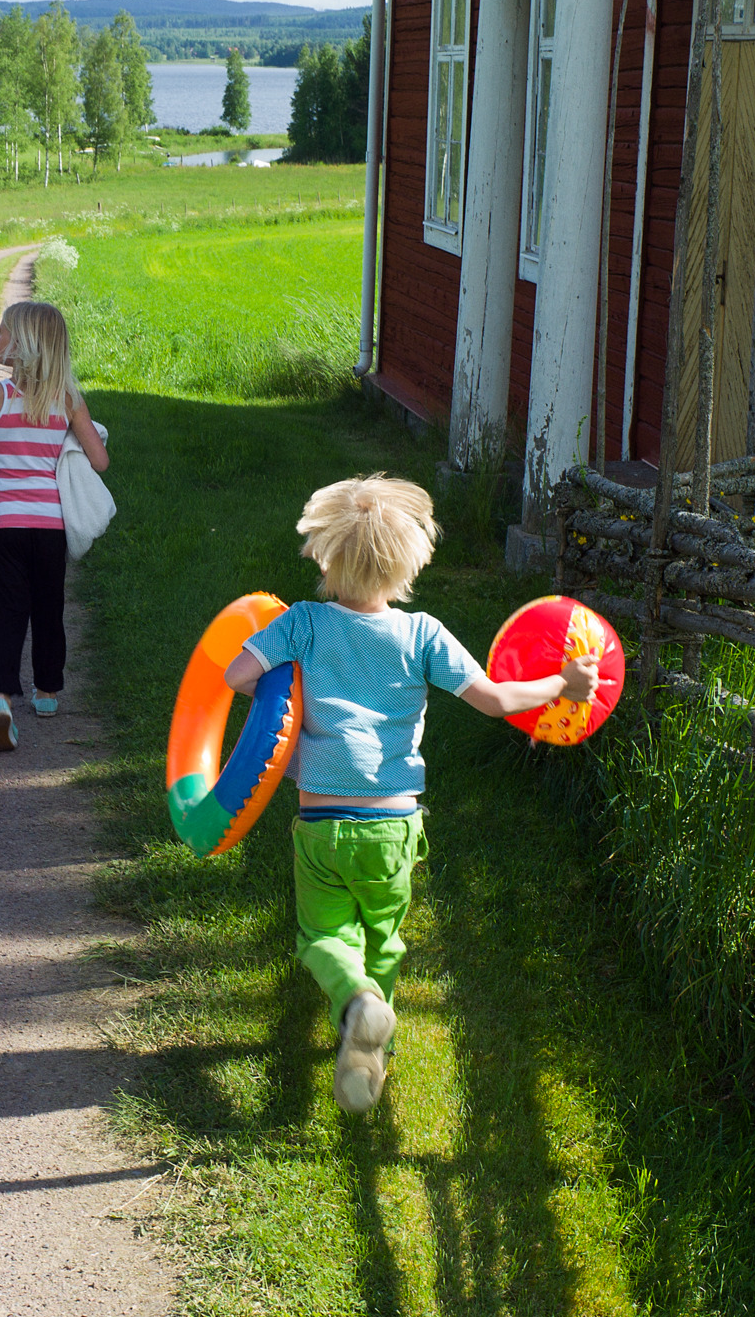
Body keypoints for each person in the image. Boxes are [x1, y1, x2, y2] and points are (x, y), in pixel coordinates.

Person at [225, 475, 599, 1113]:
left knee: (324, 938)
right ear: (407, 566)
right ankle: (374, 1052)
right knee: (385, 939)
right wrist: (560, 685)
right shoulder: (424, 633)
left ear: (324, 553)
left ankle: (356, 1003)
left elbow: (236, 675)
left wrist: (283, 687)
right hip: (395, 826)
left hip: (321, 821)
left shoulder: (304, 623)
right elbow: (496, 701)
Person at [0, 300, 108, 752]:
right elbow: (100, 461)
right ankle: (46, 693)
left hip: (3, 526)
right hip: (50, 527)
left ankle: (2, 700)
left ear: (23, 343)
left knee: (5, 613)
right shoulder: (66, 400)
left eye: (2, 331)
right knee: (49, 606)